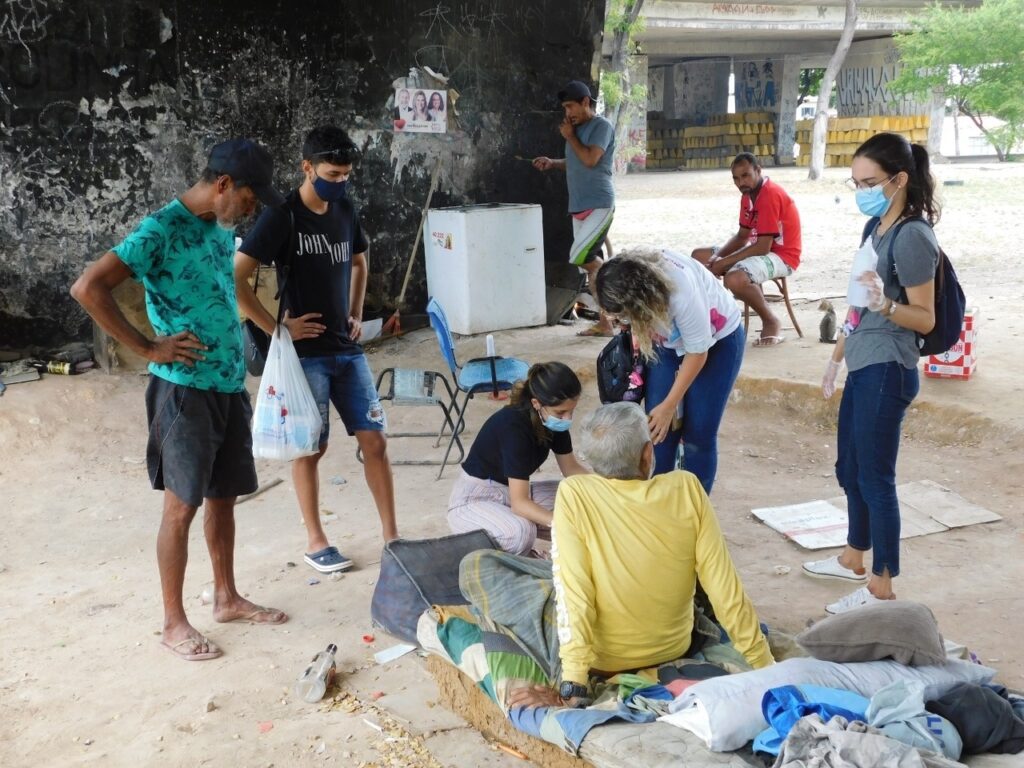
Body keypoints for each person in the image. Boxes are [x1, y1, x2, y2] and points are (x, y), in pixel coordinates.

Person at [70, 138, 289, 661]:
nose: (253, 210)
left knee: (224, 496)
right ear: (222, 185)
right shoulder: (160, 230)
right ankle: (173, 622)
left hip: (227, 385)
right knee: (182, 505)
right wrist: (148, 346)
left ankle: (226, 597)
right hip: (184, 391)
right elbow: (88, 288)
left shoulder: (220, 225)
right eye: (251, 199)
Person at [508, 402, 773, 709]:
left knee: (490, 567)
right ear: (648, 453)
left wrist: (574, 683)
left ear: (593, 462)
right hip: (675, 646)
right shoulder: (686, 487)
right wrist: (765, 665)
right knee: (694, 582)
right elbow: (724, 588)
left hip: (604, 661)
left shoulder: (574, 493)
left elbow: (574, 594)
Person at [235, 126, 398, 574]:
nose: (340, 182)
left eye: (346, 174)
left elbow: (361, 261)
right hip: (305, 357)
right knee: (311, 448)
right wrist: (277, 328)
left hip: (346, 349)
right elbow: (236, 278)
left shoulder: (345, 207)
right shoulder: (282, 216)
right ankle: (316, 540)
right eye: (332, 173)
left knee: (375, 441)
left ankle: (392, 536)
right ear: (307, 167)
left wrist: (355, 309)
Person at [806, 132, 939, 615]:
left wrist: (889, 302)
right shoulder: (874, 228)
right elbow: (858, 305)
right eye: (855, 181)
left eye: (869, 181)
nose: (861, 190)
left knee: (876, 478)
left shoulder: (913, 236)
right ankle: (852, 556)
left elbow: (924, 317)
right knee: (850, 468)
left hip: (890, 367)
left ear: (899, 179)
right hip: (863, 361)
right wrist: (836, 356)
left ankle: (883, 584)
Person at [593, 247, 745, 490]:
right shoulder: (623, 272)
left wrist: (670, 403)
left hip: (717, 342)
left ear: (642, 301)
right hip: (667, 344)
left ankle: (694, 510)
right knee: (658, 432)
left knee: (698, 434)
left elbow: (697, 353)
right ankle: (659, 506)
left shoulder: (682, 295)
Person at [447, 362, 589, 555]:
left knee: (581, 500)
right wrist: (560, 524)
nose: (567, 418)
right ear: (536, 403)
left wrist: (609, 490)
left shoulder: (552, 421)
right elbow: (520, 503)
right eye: (561, 412)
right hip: (473, 500)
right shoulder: (514, 427)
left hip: (509, 492)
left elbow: (571, 469)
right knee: (521, 532)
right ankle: (525, 560)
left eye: (571, 411)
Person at [691, 152, 802, 347]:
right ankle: (713, 316)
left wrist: (723, 263)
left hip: (782, 256)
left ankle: (770, 320)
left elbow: (762, 247)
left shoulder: (769, 195)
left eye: (745, 175)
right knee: (698, 257)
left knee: (734, 278)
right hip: (758, 249)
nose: (740, 182)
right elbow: (742, 237)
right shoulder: (748, 195)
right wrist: (716, 257)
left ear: (758, 171)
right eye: (736, 178)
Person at [532, 80, 616, 337]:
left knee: (581, 257)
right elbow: (576, 162)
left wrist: (570, 137)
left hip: (600, 204)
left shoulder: (601, 126)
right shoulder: (575, 129)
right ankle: (606, 323)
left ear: (585, 102)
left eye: (571, 106)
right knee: (587, 264)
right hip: (578, 207)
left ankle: (612, 273)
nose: (568, 113)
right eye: (565, 108)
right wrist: (553, 163)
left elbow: (590, 159)